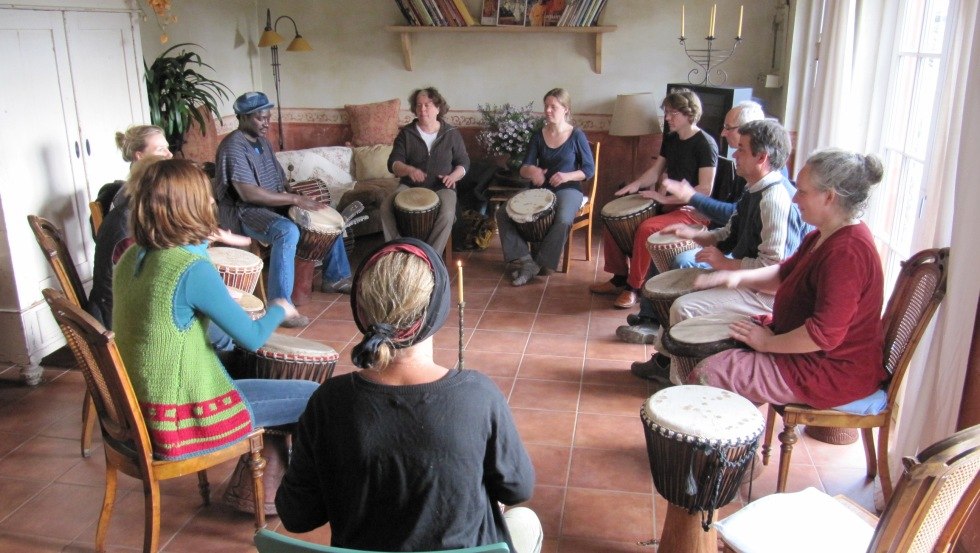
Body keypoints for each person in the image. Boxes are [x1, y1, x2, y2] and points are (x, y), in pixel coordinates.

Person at [276, 238, 542, 553]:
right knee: (525, 520)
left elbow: (297, 516)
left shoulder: (328, 402)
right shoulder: (480, 395)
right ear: (436, 309)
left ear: (361, 311)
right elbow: (516, 489)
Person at [112, 159, 319, 460]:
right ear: (189, 206)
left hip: (139, 412)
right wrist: (279, 307)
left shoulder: (132, 256)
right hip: (179, 421)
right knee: (313, 394)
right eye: (205, 196)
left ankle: (268, 476)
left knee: (229, 354)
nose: (212, 202)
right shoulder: (189, 268)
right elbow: (253, 337)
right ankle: (296, 483)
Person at [689, 149, 886, 410]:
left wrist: (767, 343)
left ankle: (721, 434)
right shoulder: (822, 235)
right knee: (718, 343)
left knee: (712, 373)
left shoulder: (847, 253)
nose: (794, 198)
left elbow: (823, 335)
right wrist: (734, 277)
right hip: (807, 353)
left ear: (829, 196)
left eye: (802, 192)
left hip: (830, 369)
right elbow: (782, 275)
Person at [631, 119, 808, 383]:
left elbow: (773, 268)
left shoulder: (774, 199)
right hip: (751, 282)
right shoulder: (754, 189)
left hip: (768, 295)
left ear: (762, 157)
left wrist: (726, 265)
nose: (735, 155)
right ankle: (666, 363)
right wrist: (694, 235)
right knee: (681, 293)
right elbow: (728, 234)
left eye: (742, 149)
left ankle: (679, 382)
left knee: (683, 307)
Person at [616, 101, 765, 343]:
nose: (723, 133)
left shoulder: (767, 188)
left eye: (728, 127)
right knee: (662, 246)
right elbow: (735, 222)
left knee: (678, 256)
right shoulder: (747, 172)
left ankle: (657, 321)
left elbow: (731, 215)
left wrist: (691, 198)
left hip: (745, 266)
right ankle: (650, 317)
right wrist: (699, 236)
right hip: (730, 246)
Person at [214, 91, 352, 327]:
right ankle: (280, 306)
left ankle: (335, 277)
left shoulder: (262, 142)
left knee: (324, 215)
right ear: (242, 117)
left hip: (271, 205)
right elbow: (247, 193)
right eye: (260, 118)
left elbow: (279, 178)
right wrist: (294, 200)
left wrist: (297, 195)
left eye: (268, 117)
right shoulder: (233, 147)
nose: (266, 123)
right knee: (286, 231)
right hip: (245, 211)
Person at [590, 89, 718, 308]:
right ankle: (619, 277)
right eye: (666, 112)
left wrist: (666, 199)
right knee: (612, 220)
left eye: (672, 113)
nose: (667, 118)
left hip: (692, 212)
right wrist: (634, 185)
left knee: (647, 229)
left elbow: (704, 189)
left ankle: (634, 287)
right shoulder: (671, 139)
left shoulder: (705, 144)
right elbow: (655, 171)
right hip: (667, 205)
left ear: (689, 113)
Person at [496, 88, 595, 286]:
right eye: (546, 106)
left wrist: (566, 176)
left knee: (563, 219)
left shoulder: (576, 135)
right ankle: (526, 260)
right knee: (503, 213)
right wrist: (533, 171)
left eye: (553, 107)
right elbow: (524, 168)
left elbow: (589, 170)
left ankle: (539, 263)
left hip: (569, 190)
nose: (548, 110)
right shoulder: (538, 136)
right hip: (540, 191)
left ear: (566, 109)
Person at [88, 125, 173, 327]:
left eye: (168, 148)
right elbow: (138, 281)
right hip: (122, 315)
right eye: (160, 149)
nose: (169, 154)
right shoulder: (132, 210)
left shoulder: (139, 194)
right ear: (139, 156)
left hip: (128, 298)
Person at [382, 87, 469, 255]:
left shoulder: (451, 133)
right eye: (418, 105)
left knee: (447, 213)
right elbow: (393, 163)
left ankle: (429, 256)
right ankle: (398, 251)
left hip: (442, 186)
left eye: (427, 105)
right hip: (410, 186)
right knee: (386, 207)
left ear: (438, 108)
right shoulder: (406, 133)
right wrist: (408, 169)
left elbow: (463, 162)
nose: (422, 109)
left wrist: (453, 176)